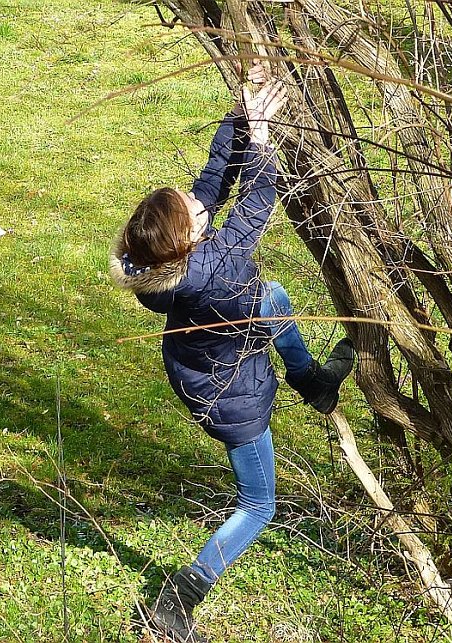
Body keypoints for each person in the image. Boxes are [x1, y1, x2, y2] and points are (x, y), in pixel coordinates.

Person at [109, 67, 354, 642]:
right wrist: (264, 137)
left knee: (273, 297)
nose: (198, 205)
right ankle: (178, 600)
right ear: (191, 241)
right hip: (232, 398)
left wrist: (238, 119)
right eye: (192, 215)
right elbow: (257, 198)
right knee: (259, 503)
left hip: (202, 362)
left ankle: (311, 380)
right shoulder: (218, 267)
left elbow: (213, 182)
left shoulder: (164, 263)